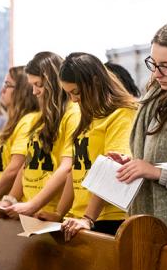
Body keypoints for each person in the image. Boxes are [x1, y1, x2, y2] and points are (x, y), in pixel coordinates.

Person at [110, 20, 167, 249]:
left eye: (166, 65)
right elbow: (158, 157)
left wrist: (157, 173)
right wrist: (134, 163)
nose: (157, 74)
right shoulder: (154, 98)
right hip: (149, 220)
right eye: (154, 63)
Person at [54, 53, 137, 240]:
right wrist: (61, 213)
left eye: (76, 92)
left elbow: (113, 168)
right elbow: (76, 171)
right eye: (68, 94)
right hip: (81, 216)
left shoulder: (122, 113)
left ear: (96, 82)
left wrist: (88, 218)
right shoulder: (87, 115)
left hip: (107, 217)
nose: (74, 99)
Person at [0, 52, 79, 222]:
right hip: (30, 211)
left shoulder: (73, 114)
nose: (34, 91)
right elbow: (27, 165)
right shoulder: (40, 118)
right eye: (32, 85)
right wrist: (10, 199)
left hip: (47, 212)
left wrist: (34, 204)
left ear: (53, 83)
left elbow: (67, 168)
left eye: (38, 84)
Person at [0, 66, 39, 203]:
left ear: (22, 91)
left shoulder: (28, 121)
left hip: (5, 202)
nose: (2, 90)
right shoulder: (12, 122)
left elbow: (15, 168)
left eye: (7, 85)